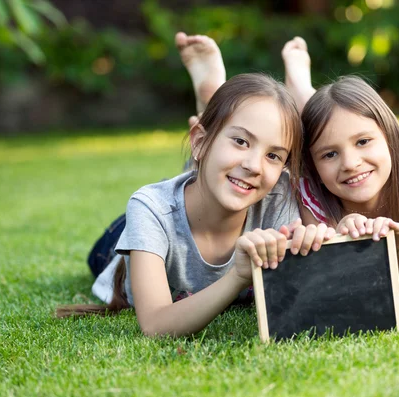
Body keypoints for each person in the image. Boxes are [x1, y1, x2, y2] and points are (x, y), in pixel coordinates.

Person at [57, 34, 334, 337]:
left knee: (225, 174)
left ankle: (293, 102)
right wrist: (238, 276)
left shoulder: (280, 196)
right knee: (202, 180)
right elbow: (156, 326)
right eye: (241, 140)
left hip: (211, 183)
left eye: (273, 155)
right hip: (124, 239)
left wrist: (320, 237)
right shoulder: (151, 209)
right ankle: (210, 104)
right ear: (198, 140)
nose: (255, 165)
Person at [281, 37, 399, 311]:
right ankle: (300, 91)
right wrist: (340, 237)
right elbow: (340, 293)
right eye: (329, 155)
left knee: (331, 119)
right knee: (310, 124)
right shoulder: (308, 192)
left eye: (363, 142)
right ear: (315, 169)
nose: (350, 163)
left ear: (391, 137)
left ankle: (301, 87)